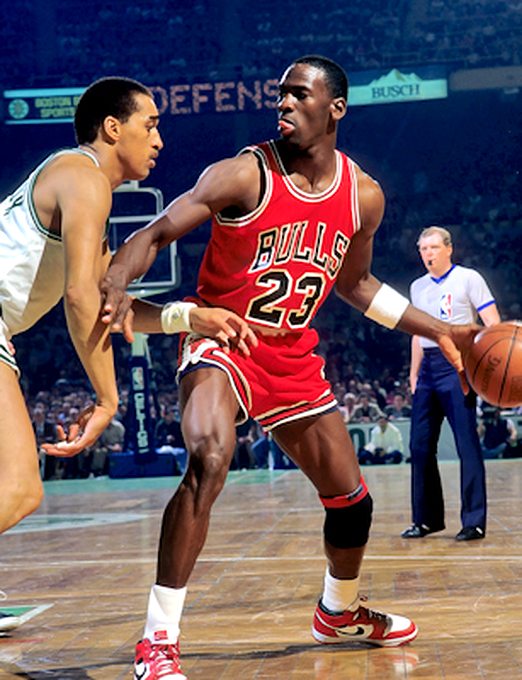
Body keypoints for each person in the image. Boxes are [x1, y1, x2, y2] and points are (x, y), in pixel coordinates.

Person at [101, 56, 480, 679]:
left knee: (352, 503)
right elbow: (158, 231)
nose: (283, 104)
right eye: (281, 94)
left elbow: (357, 286)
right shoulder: (244, 173)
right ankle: (158, 640)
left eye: (299, 95)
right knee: (210, 457)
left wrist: (438, 328)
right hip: (223, 337)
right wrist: (118, 275)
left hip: (291, 353)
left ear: (336, 108)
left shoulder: (362, 196)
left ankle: (339, 611)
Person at [0, 75, 256, 541]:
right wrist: (107, 400)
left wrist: (190, 317)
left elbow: (106, 303)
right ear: (113, 128)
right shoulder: (85, 179)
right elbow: (81, 297)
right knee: (18, 489)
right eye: (150, 125)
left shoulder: (76, 184)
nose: (159, 140)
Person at [401, 226, 501, 542]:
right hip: (428, 369)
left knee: (466, 443)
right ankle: (426, 520)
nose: (427, 254)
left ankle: (474, 521)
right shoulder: (417, 287)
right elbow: (417, 333)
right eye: (422, 249)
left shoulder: (469, 278)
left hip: (458, 365)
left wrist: (484, 365)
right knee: (419, 445)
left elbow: (493, 325)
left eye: (433, 247)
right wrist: (414, 373)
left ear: (448, 249)